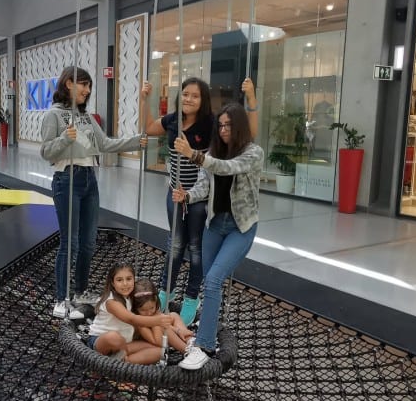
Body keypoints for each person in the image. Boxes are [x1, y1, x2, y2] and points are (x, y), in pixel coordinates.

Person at [140, 76, 258, 325]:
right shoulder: (173, 120)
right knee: (174, 244)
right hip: (175, 194)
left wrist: (251, 98)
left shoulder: (210, 124)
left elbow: (250, 133)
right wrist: (144, 100)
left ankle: (191, 298)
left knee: (195, 248)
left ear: (203, 100)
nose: (189, 99)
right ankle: (166, 292)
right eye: (185, 94)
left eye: (195, 96)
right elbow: (149, 127)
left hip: (200, 197)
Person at [40, 66, 147, 320]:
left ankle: (80, 291)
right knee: (70, 242)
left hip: (89, 179)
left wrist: (136, 141)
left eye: (89, 86)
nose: (87, 90)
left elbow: (105, 144)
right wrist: (65, 139)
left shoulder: (86, 117)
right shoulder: (53, 115)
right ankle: (61, 299)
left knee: (88, 242)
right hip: (67, 179)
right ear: (68, 83)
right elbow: (46, 152)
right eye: (83, 84)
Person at [173, 103, 263, 370]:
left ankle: (204, 346)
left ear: (240, 127)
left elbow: (227, 168)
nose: (224, 130)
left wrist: (194, 155)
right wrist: (187, 196)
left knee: (213, 280)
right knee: (208, 281)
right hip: (215, 225)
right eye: (220, 125)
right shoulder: (213, 152)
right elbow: (203, 186)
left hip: (240, 228)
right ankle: (208, 328)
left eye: (229, 125)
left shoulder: (253, 153)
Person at [85, 263, 174, 365]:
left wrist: (170, 325)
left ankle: (122, 363)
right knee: (113, 337)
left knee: (160, 351)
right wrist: (156, 321)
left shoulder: (133, 296)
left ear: (134, 280)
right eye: (119, 280)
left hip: (124, 344)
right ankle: (114, 361)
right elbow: (131, 319)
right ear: (112, 283)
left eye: (128, 279)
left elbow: (150, 305)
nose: (125, 284)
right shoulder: (111, 301)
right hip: (100, 342)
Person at [131, 278, 194, 355]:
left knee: (173, 315)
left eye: (152, 308)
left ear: (155, 301)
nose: (149, 313)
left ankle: (189, 340)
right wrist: (156, 323)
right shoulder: (139, 323)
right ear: (135, 308)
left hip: (162, 336)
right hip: (154, 344)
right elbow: (157, 342)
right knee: (161, 325)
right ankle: (186, 350)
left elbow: (167, 324)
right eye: (143, 310)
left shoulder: (155, 311)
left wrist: (178, 331)